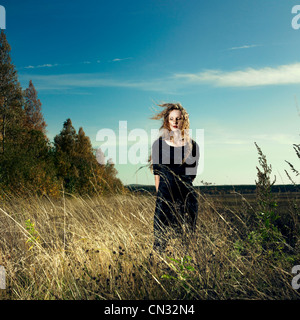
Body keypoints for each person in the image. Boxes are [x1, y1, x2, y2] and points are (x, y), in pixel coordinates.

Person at [149, 103, 200, 253]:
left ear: (184, 121)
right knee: (160, 241)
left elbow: (191, 176)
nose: (175, 122)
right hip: (164, 198)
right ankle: (158, 269)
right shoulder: (158, 145)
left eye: (178, 119)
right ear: (167, 121)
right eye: (172, 119)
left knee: (186, 242)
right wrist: (161, 197)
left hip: (187, 198)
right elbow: (157, 175)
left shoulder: (193, 146)